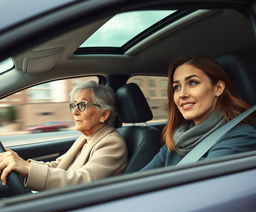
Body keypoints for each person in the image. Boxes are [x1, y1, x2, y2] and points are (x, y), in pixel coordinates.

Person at [0, 80, 128, 190]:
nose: (75, 111)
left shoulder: (112, 143)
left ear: (104, 115)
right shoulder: (85, 138)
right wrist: (23, 165)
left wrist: (28, 168)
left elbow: (83, 182)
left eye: (82, 105)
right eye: (73, 105)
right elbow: (58, 165)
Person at [140, 55, 256, 171]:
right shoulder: (178, 138)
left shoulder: (241, 136)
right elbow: (140, 179)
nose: (182, 94)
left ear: (218, 88)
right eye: (176, 87)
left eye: (193, 83)